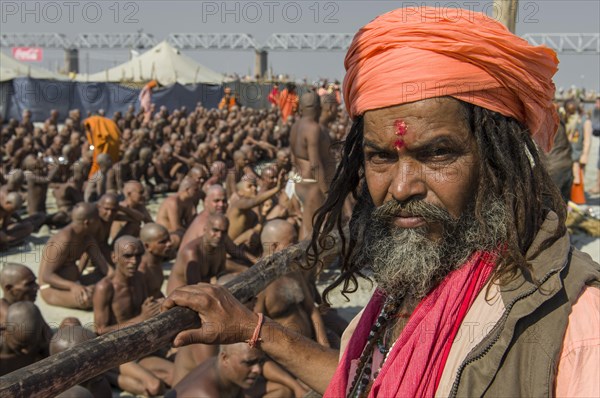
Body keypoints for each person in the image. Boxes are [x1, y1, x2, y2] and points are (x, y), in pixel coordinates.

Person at [163, 7, 599, 397]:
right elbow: (368, 384)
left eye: (437, 154)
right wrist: (252, 329)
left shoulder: (573, 324)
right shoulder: (413, 280)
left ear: (496, 160)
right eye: (381, 157)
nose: (402, 185)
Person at [93, 235, 172, 396]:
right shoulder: (105, 288)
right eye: (127, 256)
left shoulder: (140, 278)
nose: (134, 261)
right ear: (114, 257)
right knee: (155, 387)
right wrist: (140, 319)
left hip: (141, 344)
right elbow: (100, 331)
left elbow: (150, 306)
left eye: (138, 255)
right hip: (116, 351)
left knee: (178, 372)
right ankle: (103, 373)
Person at [39, 203, 111, 309]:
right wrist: (73, 286)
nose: (100, 224)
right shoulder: (64, 239)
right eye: (98, 221)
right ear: (88, 223)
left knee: (113, 282)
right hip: (52, 288)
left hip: (76, 282)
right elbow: (47, 276)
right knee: (90, 299)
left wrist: (115, 279)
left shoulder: (87, 238)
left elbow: (105, 267)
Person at [289, 91, 336, 240]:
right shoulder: (313, 128)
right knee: (313, 231)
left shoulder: (295, 126)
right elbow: (315, 164)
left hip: (298, 182)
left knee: (307, 225)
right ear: (318, 108)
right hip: (312, 186)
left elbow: (293, 157)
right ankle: (312, 262)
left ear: (301, 108)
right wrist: (327, 193)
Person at [167, 342, 264, 398]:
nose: (257, 370)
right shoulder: (207, 394)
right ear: (225, 358)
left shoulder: (219, 366)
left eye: (259, 362)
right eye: (248, 363)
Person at [49, 325, 112, 397]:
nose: (102, 360)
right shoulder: (75, 394)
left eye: (100, 352)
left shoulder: (99, 383)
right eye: (93, 358)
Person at [155, 177, 199, 250]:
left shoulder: (188, 202)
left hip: (177, 233)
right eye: (195, 190)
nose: (197, 193)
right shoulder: (173, 202)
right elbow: (175, 227)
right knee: (180, 238)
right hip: (165, 235)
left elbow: (191, 222)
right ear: (187, 190)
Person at [139, 223, 172, 299]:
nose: (169, 244)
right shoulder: (142, 272)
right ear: (147, 246)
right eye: (162, 242)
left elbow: (156, 292)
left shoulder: (156, 263)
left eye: (169, 239)